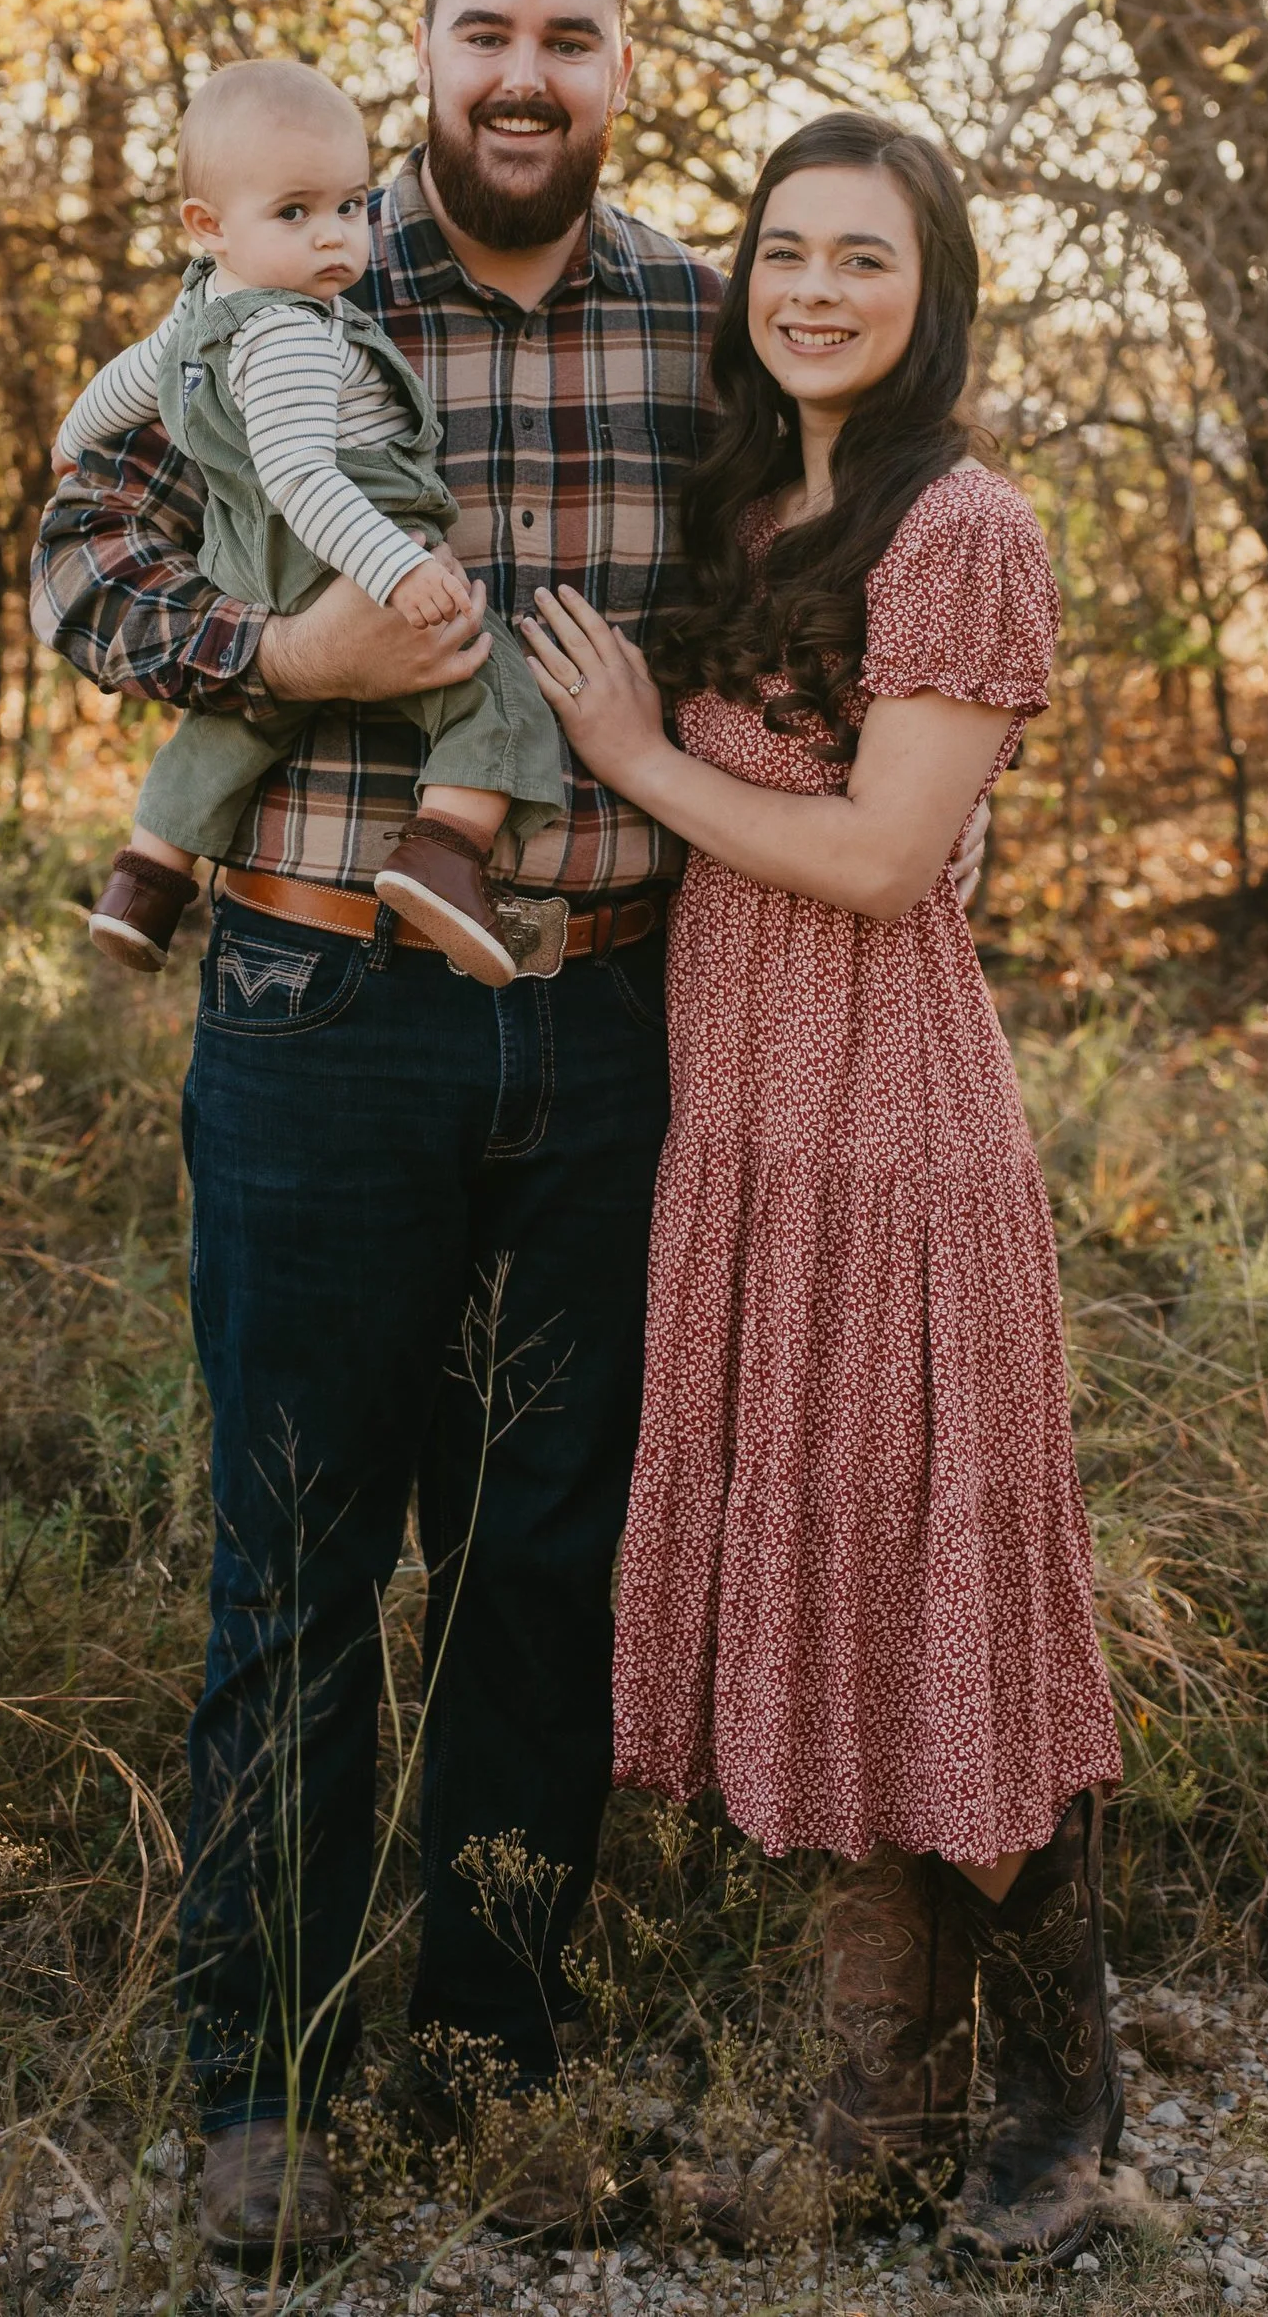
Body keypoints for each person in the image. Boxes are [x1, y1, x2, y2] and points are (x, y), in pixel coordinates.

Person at [29, 0, 717, 2272]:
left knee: (545, 1559)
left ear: (628, 60)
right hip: (325, 1015)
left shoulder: (700, 322)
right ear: (421, 45)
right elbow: (75, 551)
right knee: (301, 1553)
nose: (524, 72)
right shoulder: (297, 266)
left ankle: (493, 2048)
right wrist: (286, 649)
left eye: (574, 35)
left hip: (610, 1022)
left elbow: (797, 611)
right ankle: (267, 2080)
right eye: (485, 29)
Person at [521, 110, 1133, 2265]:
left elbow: (884, 859)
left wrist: (637, 763)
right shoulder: (750, 492)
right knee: (829, 1618)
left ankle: (1062, 2121)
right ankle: (877, 2112)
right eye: (783, 250)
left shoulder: (960, 522)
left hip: (887, 1136)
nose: (811, 289)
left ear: (928, 285)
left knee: (937, 1616)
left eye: (860, 258)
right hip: (744, 1129)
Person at [54, 57, 567, 984]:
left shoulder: (198, 315)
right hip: (336, 543)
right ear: (208, 226)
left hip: (242, 562)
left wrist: (70, 438)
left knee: (235, 727)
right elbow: (300, 474)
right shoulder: (291, 330)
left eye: (348, 206)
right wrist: (397, 572)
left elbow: (126, 384)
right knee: (488, 685)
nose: (333, 240)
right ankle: (444, 855)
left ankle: (146, 881)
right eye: (294, 214)